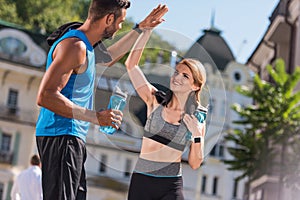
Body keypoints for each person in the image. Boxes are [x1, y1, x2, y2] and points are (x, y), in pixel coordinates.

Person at [35, 0, 168, 199]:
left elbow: (108, 56)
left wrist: (141, 29)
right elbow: (46, 96)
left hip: (71, 137)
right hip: (61, 135)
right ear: (108, 19)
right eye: (120, 22)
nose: (120, 26)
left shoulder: (85, 47)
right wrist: (97, 117)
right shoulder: (75, 46)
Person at [125, 24, 207, 199]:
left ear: (195, 86)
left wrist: (197, 135)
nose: (177, 77)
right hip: (142, 182)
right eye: (177, 72)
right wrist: (147, 31)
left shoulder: (197, 117)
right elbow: (131, 65)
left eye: (185, 76)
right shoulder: (154, 99)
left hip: (171, 184)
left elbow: (194, 163)